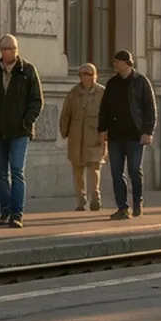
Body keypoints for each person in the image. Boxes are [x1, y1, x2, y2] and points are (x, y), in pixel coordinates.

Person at [0, 34, 43, 228]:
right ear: (0, 51)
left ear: (16, 49)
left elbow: (37, 101)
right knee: (1, 174)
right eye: (5, 49)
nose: (9, 52)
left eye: (12, 48)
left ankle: (17, 214)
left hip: (19, 132)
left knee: (17, 171)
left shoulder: (27, 71)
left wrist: (26, 123)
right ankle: (5, 212)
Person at [99, 50, 157, 219]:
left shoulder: (141, 82)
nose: (114, 65)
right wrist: (103, 129)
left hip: (135, 136)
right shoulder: (112, 83)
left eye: (117, 62)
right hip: (116, 136)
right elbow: (105, 109)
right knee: (116, 172)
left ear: (126, 63)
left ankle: (137, 200)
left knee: (134, 169)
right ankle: (122, 207)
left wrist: (148, 131)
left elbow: (150, 109)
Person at [58, 63, 107, 211]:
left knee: (94, 167)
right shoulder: (74, 93)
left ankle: (95, 198)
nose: (86, 77)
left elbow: (108, 114)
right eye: (83, 74)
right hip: (76, 137)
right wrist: (64, 131)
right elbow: (66, 113)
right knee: (78, 169)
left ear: (95, 76)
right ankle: (81, 200)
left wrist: (105, 133)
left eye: (89, 74)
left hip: (95, 136)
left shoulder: (102, 93)